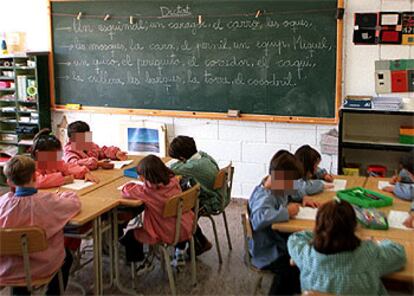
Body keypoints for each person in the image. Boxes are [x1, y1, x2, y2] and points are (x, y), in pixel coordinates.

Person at [288, 199, 406, 295]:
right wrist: (376, 242)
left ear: (318, 226)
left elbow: (295, 238)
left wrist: (326, 231)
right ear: (354, 227)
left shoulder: (307, 255)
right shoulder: (369, 253)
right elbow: (399, 253)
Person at [0, 155, 81, 295]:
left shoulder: (2, 204)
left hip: (8, 269)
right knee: (67, 257)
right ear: (34, 176)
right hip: (43, 266)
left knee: (18, 256)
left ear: (9, 181)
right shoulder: (48, 202)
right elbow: (75, 204)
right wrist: (63, 195)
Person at [248, 150, 318, 295]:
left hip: (278, 241)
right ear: (280, 178)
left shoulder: (278, 187)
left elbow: (294, 191)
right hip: (268, 251)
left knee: (304, 254)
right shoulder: (264, 197)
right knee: (295, 269)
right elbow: (258, 220)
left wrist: (303, 197)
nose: (291, 185)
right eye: (289, 182)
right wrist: (287, 212)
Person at [120, 155, 194, 273]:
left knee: (130, 233)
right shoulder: (174, 182)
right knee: (142, 220)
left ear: (147, 178)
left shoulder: (148, 192)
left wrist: (139, 184)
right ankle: (179, 251)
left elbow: (126, 190)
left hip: (167, 231)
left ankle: (143, 262)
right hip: (185, 225)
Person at [168, 135, 223, 255]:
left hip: (210, 201)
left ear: (182, 158)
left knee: (181, 212)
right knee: (184, 206)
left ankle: (186, 243)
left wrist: (178, 163)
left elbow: (171, 169)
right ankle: (199, 241)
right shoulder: (203, 156)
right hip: (217, 195)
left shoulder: (192, 166)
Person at [32, 128, 99, 188]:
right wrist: (63, 179)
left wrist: (84, 173)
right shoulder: (30, 166)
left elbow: (68, 167)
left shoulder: (56, 162)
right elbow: (37, 181)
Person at [63, 120, 127, 170]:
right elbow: (74, 164)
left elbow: (102, 151)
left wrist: (116, 153)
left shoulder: (90, 145)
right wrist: (98, 164)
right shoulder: (69, 151)